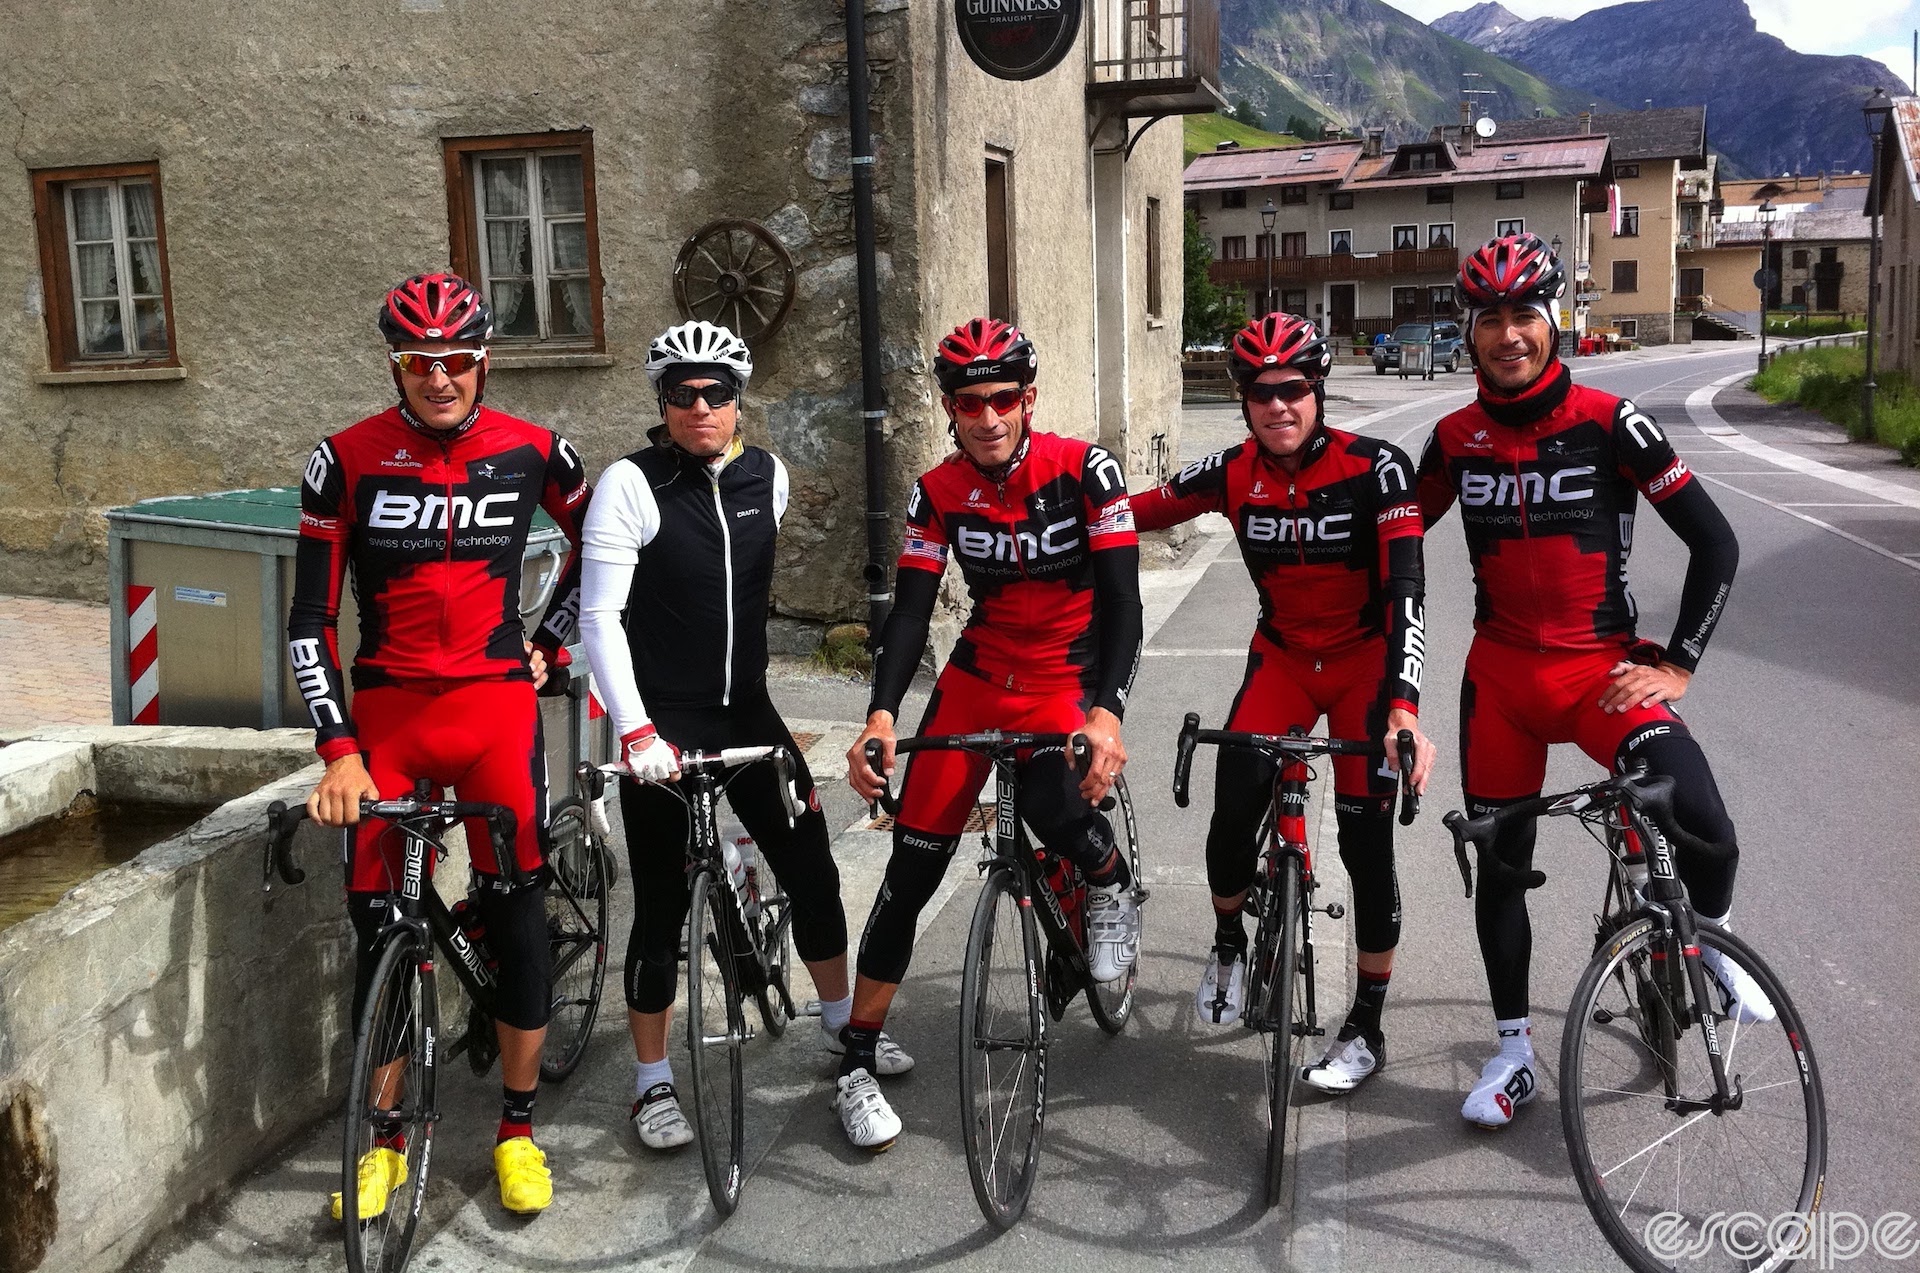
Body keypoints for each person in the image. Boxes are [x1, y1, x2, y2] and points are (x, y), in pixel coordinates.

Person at [1416, 233, 1765, 1130]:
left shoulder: (1613, 423)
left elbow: (1715, 541)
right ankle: (1513, 1051)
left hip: (1601, 676)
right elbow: (1394, 540)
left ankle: (1710, 943)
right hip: (1499, 685)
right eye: (1489, 318)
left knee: (1708, 827)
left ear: (1553, 320)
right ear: (1471, 332)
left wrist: (1677, 662)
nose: (1507, 334)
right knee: (1501, 872)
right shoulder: (1454, 438)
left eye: (1523, 314)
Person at [290, 272, 590, 1217]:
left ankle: (515, 1127)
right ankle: (380, 1143)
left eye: (458, 362)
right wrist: (337, 747)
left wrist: (557, 636)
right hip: (388, 720)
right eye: (422, 365)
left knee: (518, 921)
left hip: (497, 713)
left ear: (483, 361)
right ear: (397, 366)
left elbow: (608, 546)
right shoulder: (344, 461)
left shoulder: (537, 450)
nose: (442, 379)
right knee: (378, 927)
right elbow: (307, 621)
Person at [576, 320, 902, 1155]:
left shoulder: (769, 475)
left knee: (814, 870)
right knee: (656, 911)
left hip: (748, 713)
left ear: (738, 399)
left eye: (716, 392)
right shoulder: (630, 483)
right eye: (681, 393)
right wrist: (636, 728)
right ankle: (652, 1083)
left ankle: (842, 1029)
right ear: (662, 401)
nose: (700, 407)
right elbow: (599, 618)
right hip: (663, 726)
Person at [843, 317, 1145, 1151]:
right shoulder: (936, 489)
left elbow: (1124, 600)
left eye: (1003, 399)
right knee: (910, 866)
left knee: (1057, 811)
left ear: (1028, 399)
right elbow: (910, 608)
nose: (987, 417)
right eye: (969, 402)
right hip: (979, 675)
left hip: (1066, 671)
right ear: (950, 407)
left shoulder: (1085, 468)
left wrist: (1108, 711)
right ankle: (856, 1057)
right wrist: (880, 713)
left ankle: (1109, 879)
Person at [1132, 312, 1435, 1092]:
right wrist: (1059, 508)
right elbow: (1140, 510)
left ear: (1318, 389)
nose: (1279, 406)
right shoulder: (1232, 471)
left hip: (1367, 660)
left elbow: (1407, 586)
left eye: (1294, 389)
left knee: (1369, 846)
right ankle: (1230, 940)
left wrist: (1404, 705)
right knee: (1234, 798)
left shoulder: (1379, 468)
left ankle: (1366, 1023)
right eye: (1261, 393)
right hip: (1286, 660)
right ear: (1244, 400)